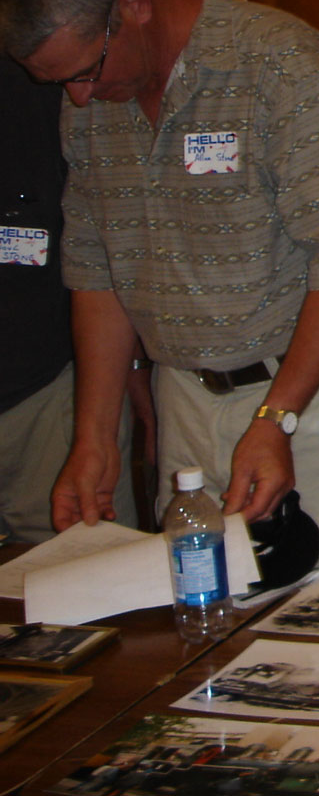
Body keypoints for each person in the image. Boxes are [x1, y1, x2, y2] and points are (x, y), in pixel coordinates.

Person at [0, 0, 319, 568]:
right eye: (61, 83)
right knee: (212, 626)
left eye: (86, 72)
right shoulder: (89, 100)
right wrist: (94, 438)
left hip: (315, 398)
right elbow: (94, 272)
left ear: (133, 7)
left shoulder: (277, 61)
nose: (80, 99)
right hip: (188, 407)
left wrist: (275, 419)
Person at [0, 56, 138, 542]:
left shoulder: (38, 77)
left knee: (79, 591)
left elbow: (105, 252)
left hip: (45, 398)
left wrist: (137, 387)